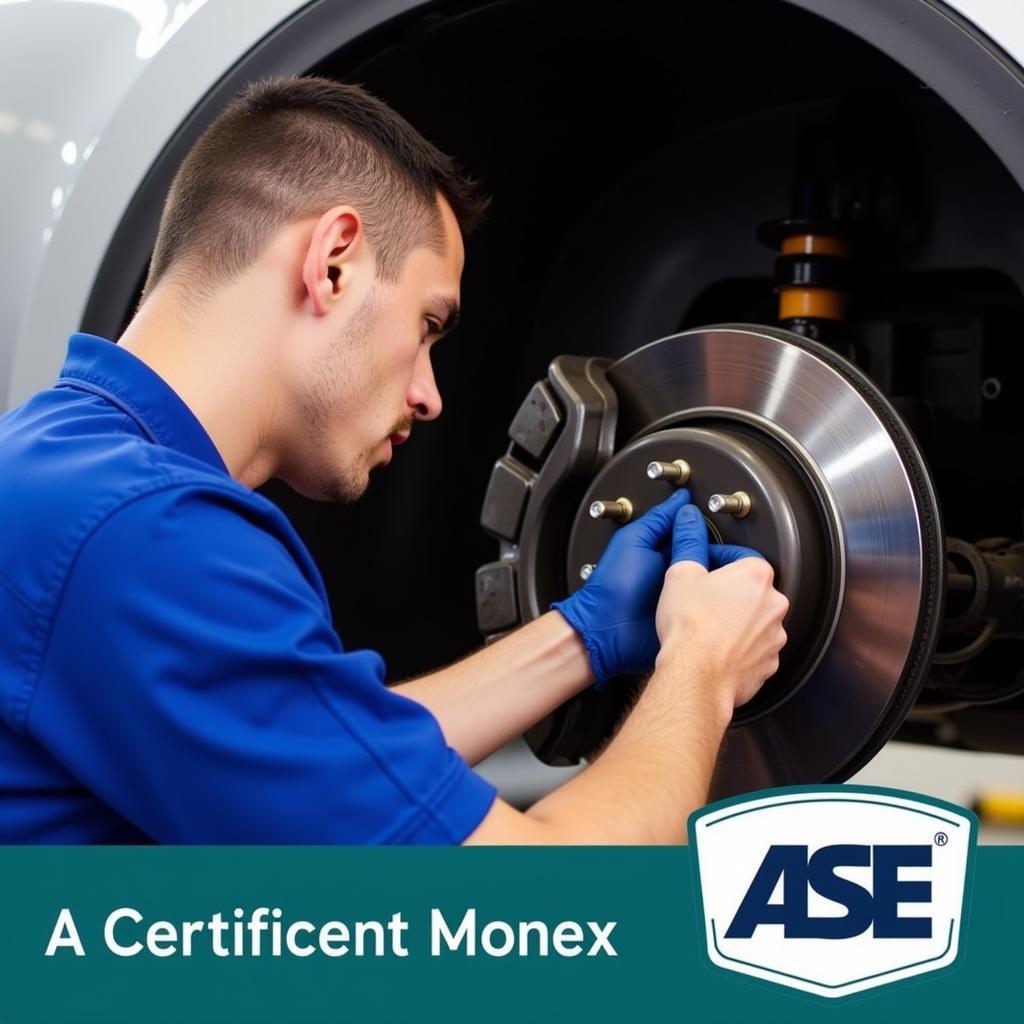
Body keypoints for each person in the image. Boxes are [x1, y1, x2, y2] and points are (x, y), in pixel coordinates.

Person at [0, 75, 788, 844]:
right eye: (428, 324)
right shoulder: (147, 536)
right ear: (334, 260)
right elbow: (542, 925)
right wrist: (703, 665)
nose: (430, 395)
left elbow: (327, 762)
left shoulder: (65, 472)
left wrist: (582, 635)